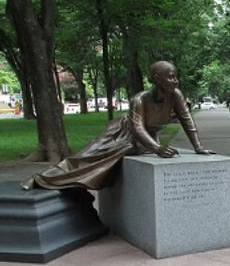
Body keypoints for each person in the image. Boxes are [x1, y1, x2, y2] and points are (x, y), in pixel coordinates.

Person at [22, 60, 214, 190]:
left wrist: (198, 147)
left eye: (175, 76)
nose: (175, 80)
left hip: (145, 139)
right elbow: (137, 127)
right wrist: (157, 149)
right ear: (156, 78)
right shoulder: (139, 100)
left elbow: (186, 119)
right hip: (122, 133)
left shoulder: (176, 95)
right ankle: (43, 179)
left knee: (116, 156)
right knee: (88, 158)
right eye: (170, 76)